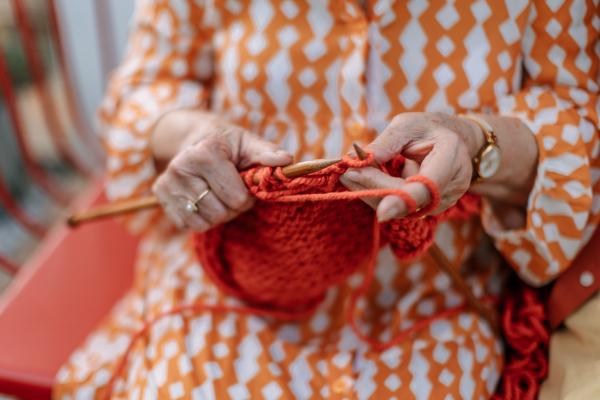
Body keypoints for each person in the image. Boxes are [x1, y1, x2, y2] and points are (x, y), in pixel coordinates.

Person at [54, 0, 600, 399]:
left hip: (433, 292)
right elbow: (148, 89)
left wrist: (480, 144)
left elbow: (577, 113)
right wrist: (187, 138)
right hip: (230, 284)